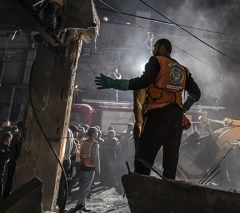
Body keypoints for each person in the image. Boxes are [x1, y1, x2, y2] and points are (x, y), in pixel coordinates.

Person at [95, 38, 201, 179]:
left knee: (144, 156)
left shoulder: (156, 61)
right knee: (171, 160)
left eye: (155, 47)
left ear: (162, 48)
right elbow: (197, 94)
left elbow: (144, 81)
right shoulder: (183, 70)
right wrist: (184, 109)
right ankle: (168, 190)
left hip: (158, 115)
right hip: (176, 119)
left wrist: (115, 83)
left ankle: (141, 186)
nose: (153, 50)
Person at [77, 128, 100, 212]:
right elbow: (96, 157)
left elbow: (79, 154)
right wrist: (98, 169)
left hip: (82, 166)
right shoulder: (95, 144)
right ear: (94, 134)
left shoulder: (83, 142)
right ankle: (80, 205)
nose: (97, 134)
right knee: (85, 188)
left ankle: (81, 204)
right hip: (90, 167)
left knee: (82, 187)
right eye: (96, 132)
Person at [57, 127, 76, 209]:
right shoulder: (70, 132)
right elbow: (74, 148)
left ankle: (59, 206)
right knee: (62, 184)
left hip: (62, 161)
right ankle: (61, 206)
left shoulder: (62, 130)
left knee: (59, 185)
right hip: (67, 160)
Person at [3, 121, 23, 198]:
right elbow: (14, 151)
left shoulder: (17, 138)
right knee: (9, 179)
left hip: (13, 161)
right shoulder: (16, 138)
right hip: (12, 161)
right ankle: (6, 196)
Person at [0, 132, 12, 199]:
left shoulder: (7, 147)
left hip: (4, 168)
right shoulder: (1, 147)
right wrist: (7, 158)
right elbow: (2, 158)